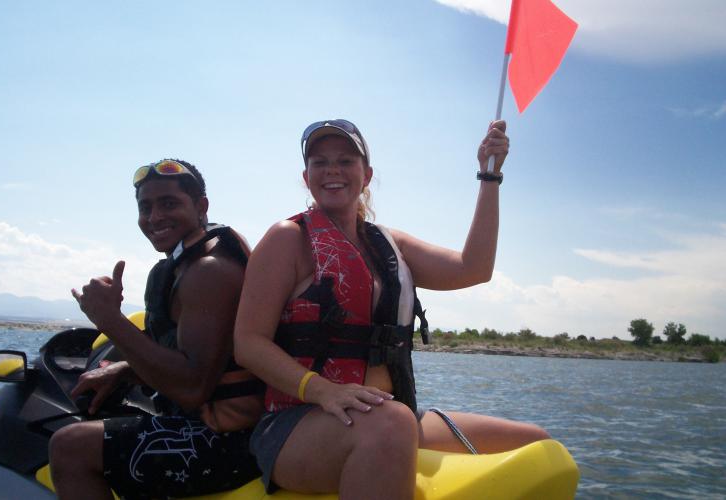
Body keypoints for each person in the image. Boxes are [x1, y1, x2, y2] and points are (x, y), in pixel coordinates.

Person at [234, 120, 550, 499]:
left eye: (345, 161)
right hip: (297, 421)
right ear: (306, 177)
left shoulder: (388, 243)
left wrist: (489, 176)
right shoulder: (288, 238)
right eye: (320, 162)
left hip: (391, 416)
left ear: (366, 175)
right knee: (392, 423)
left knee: (534, 443)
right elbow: (248, 342)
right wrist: (322, 391)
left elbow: (474, 269)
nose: (332, 170)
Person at [49, 159, 264, 499]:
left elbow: (192, 388)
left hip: (230, 441)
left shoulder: (210, 271)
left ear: (201, 206)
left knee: (70, 446)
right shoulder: (181, 266)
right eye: (145, 207)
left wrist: (109, 320)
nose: (154, 217)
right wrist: (124, 371)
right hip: (209, 428)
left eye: (169, 203)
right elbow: (192, 360)